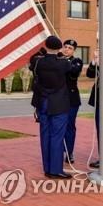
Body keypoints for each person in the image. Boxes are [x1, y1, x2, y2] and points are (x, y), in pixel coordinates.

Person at [30, 36, 72, 179]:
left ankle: (47, 168)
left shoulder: (37, 62)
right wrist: (59, 54)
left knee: (45, 136)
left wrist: (44, 50)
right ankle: (55, 170)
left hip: (43, 103)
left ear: (45, 46)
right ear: (59, 48)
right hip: (59, 104)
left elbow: (33, 59)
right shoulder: (63, 63)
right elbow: (70, 69)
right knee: (57, 137)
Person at [61, 39, 84, 164]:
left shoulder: (76, 61)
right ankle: (59, 150)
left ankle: (69, 152)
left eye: (70, 48)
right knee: (59, 126)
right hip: (58, 99)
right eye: (65, 47)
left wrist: (63, 62)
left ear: (74, 50)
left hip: (71, 99)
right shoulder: (58, 60)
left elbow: (74, 72)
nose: (66, 49)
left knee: (70, 126)